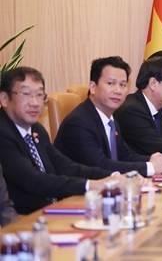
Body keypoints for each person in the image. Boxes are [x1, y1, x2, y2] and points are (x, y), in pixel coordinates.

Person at [0, 67, 118, 214]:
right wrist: (89, 185)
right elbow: (34, 181)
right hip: (23, 218)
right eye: (26, 94)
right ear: (4, 99)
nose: (35, 103)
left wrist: (112, 176)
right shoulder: (3, 134)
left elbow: (66, 166)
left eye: (39, 95)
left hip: (52, 209)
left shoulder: (36, 129)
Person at [55, 56, 162, 177]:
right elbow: (100, 165)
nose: (118, 90)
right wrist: (150, 167)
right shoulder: (78, 122)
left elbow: (124, 155)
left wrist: (154, 159)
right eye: (111, 83)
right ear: (93, 87)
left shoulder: (110, 119)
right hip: (78, 194)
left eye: (123, 85)